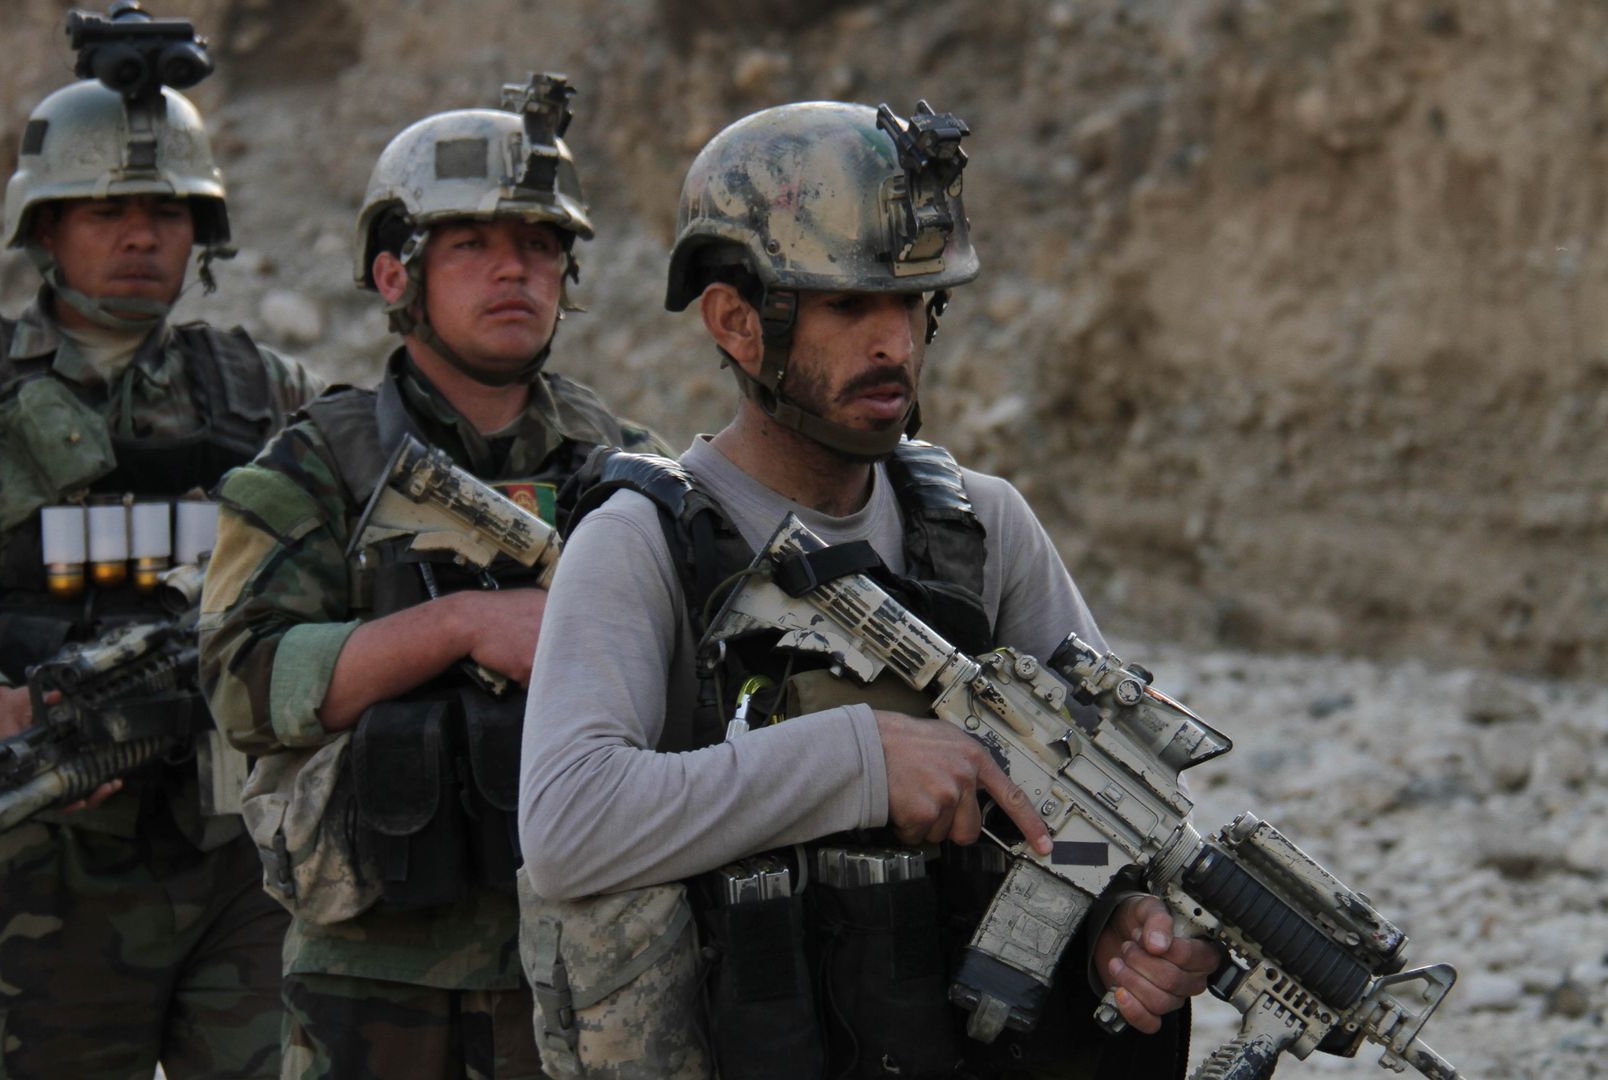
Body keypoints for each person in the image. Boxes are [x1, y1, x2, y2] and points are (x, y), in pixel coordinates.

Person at [517, 101, 1219, 1079]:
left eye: (913, 303)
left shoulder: (982, 526)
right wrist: (860, 758)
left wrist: (1110, 924)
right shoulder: (646, 540)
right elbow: (567, 827)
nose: (894, 342)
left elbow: (1092, 802)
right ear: (734, 320)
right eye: (850, 306)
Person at [0, 48, 320, 1079]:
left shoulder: (266, 393)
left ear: (202, 231)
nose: (142, 235)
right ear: (46, 227)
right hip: (36, 861)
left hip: (233, 856)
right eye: (105, 210)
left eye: (168, 212)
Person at [199, 73, 665, 1080]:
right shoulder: (314, 466)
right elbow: (239, 679)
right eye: (473, 246)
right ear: (393, 275)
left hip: (588, 966)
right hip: (377, 971)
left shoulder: (630, 468)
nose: (516, 273)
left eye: (541, 246)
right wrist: (458, 627)